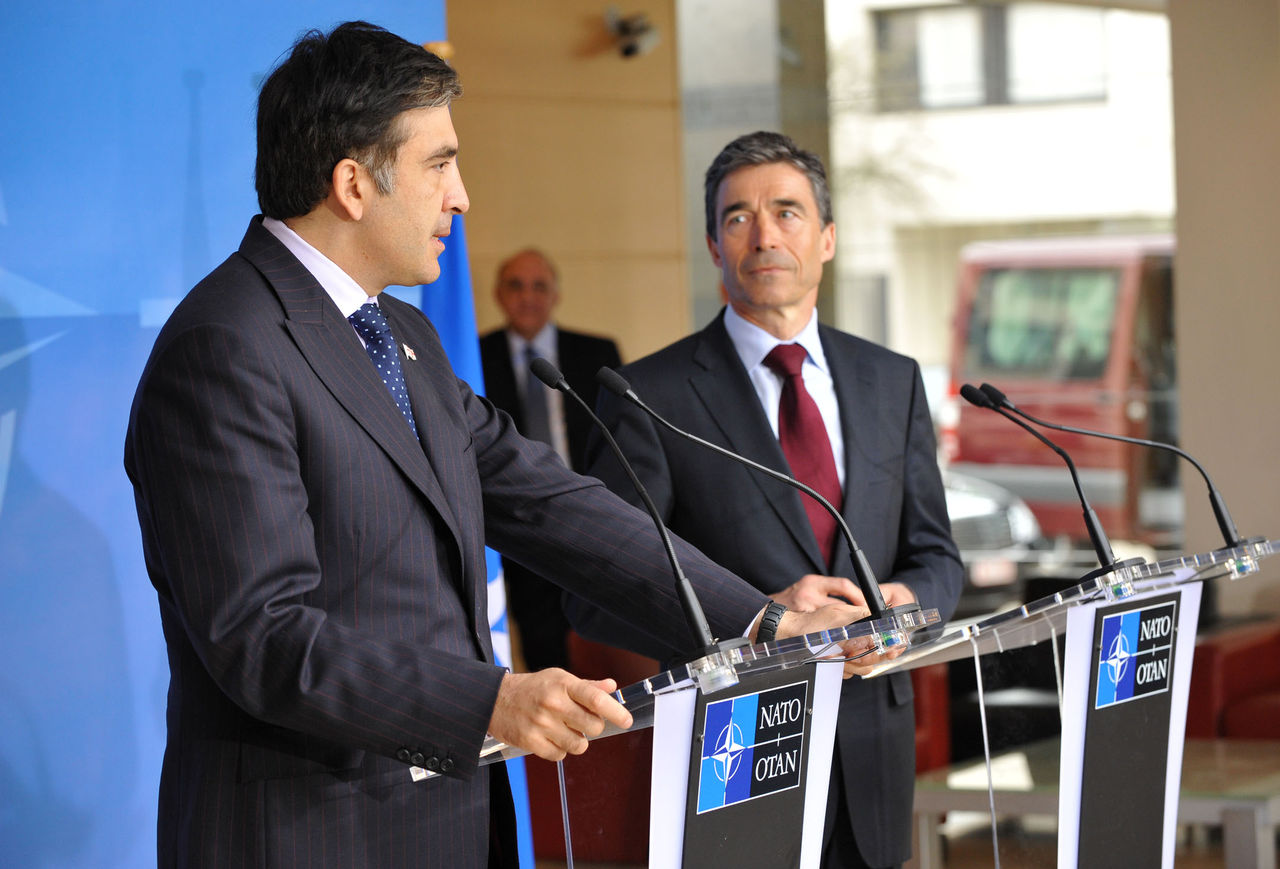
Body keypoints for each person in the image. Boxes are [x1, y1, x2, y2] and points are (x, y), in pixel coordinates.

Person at [124, 24, 869, 869]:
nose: (463, 197)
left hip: (449, 822)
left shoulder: (402, 335)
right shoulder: (226, 346)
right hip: (311, 834)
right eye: (439, 164)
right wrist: (493, 700)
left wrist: (761, 620)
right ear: (352, 184)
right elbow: (262, 636)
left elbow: (551, 504)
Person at [581, 131, 964, 869]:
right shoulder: (644, 395)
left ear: (826, 238)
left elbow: (936, 553)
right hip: (736, 745)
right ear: (712, 244)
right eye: (737, 218)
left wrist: (900, 602)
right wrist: (761, 615)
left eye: (787, 212)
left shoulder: (894, 380)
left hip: (873, 756)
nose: (763, 234)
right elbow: (594, 588)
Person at [479, 249, 621, 670]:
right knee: (544, 648)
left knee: (603, 644)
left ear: (555, 294)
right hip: (515, 523)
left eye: (539, 286)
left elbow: (621, 438)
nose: (528, 297)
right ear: (498, 295)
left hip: (593, 518)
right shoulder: (474, 355)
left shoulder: (596, 352)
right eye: (516, 285)